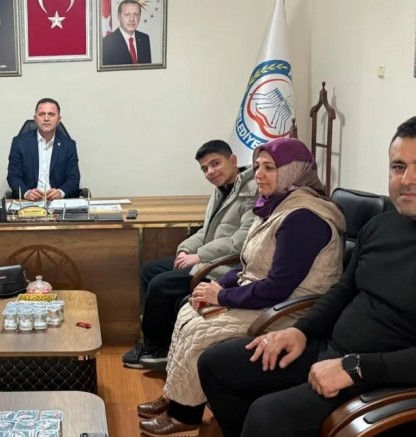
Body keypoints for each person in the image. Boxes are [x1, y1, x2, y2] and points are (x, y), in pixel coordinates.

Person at [197, 114, 416, 437]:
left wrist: (355, 368)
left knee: (268, 415)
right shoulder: (382, 226)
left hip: (389, 384)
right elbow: (343, 290)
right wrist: (301, 331)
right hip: (331, 351)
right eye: (398, 166)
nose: (407, 179)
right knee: (216, 364)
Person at [137, 138, 346, 436]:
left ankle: (185, 415)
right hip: (264, 297)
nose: (258, 174)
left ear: (294, 170)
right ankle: (175, 395)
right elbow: (250, 263)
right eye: (258, 166)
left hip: (288, 311)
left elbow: (278, 287)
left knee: (200, 330)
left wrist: (223, 296)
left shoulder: (304, 218)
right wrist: (218, 284)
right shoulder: (277, 205)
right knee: (188, 312)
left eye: (270, 168)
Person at [123, 139, 259, 369]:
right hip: (208, 258)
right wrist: (186, 248)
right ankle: (163, 339)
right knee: (149, 270)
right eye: (205, 168)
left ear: (233, 160)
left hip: (224, 267)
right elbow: (206, 231)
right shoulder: (222, 189)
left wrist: (199, 256)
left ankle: (155, 349)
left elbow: (240, 241)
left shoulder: (252, 191)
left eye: (215, 163)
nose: (210, 172)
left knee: (160, 284)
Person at [7, 98, 81, 201]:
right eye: (42, 114)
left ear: (59, 119)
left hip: (57, 202)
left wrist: (60, 192)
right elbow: (13, 176)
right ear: (35, 118)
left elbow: (73, 179)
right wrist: (26, 193)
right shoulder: (19, 143)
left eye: (51, 114)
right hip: (29, 203)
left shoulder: (69, 145)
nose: (46, 118)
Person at [102, 0, 151, 65]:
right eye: (127, 14)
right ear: (119, 17)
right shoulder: (106, 43)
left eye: (136, 14)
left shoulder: (144, 39)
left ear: (139, 16)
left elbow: (147, 69)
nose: (132, 19)